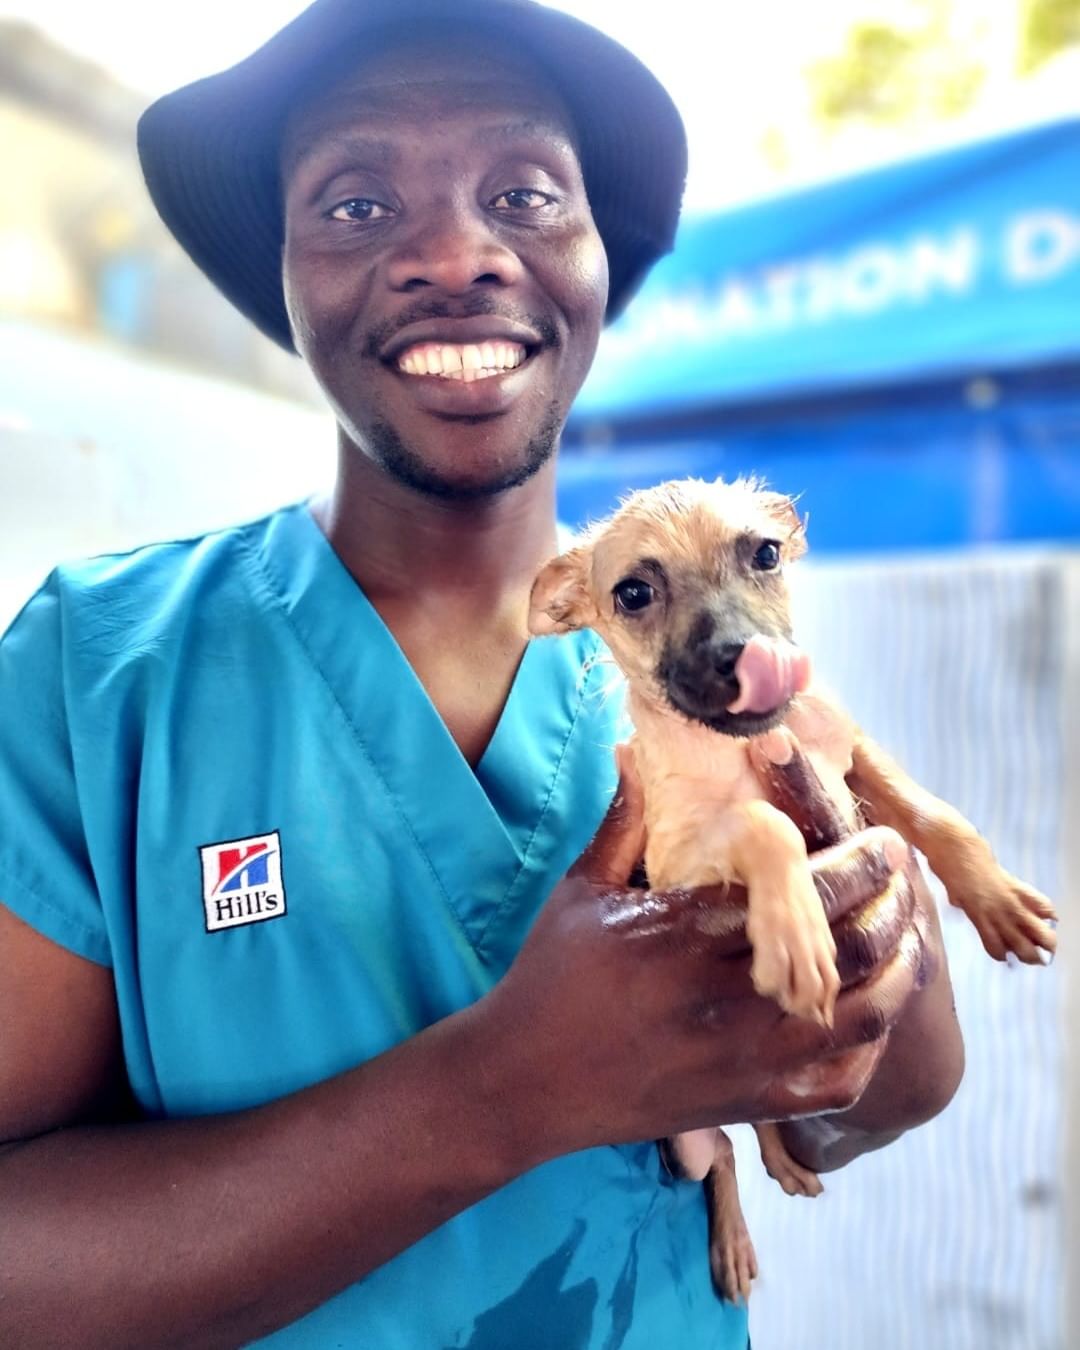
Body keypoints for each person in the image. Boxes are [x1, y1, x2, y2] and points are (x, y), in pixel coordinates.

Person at [0, 1, 964, 1346]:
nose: (454, 253)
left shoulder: (700, 654)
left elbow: (875, 1099)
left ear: (595, 260)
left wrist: (873, 978)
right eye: (352, 203)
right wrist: (505, 1088)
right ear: (277, 274)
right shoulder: (97, 677)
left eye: (523, 192)